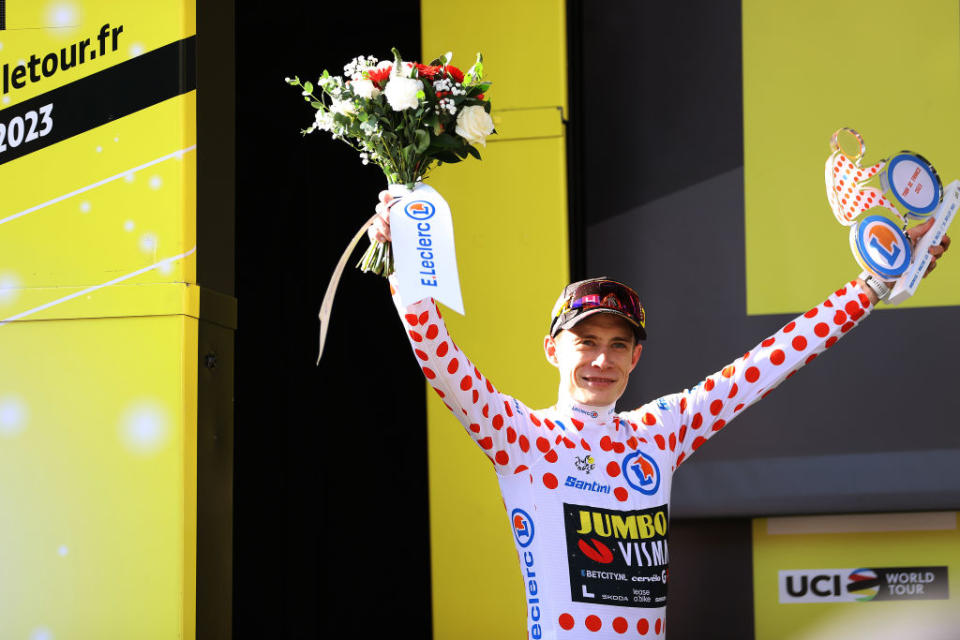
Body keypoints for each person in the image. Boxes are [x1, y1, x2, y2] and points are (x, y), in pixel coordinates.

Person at [369, 191, 949, 639]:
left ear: (636, 356)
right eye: (585, 341)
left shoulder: (659, 428)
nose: (601, 359)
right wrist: (405, 259)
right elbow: (441, 361)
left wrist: (875, 280)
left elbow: (774, 359)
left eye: (618, 345)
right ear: (553, 349)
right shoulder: (521, 436)